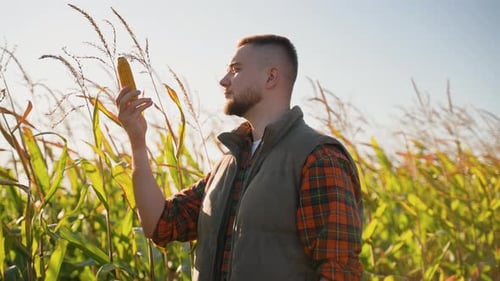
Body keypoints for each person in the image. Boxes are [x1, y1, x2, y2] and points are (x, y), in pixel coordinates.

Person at [116, 34, 363, 281]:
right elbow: (159, 223)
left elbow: (339, 272)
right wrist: (138, 141)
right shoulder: (229, 163)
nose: (223, 81)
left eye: (235, 69)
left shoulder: (318, 158)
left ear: (271, 77)